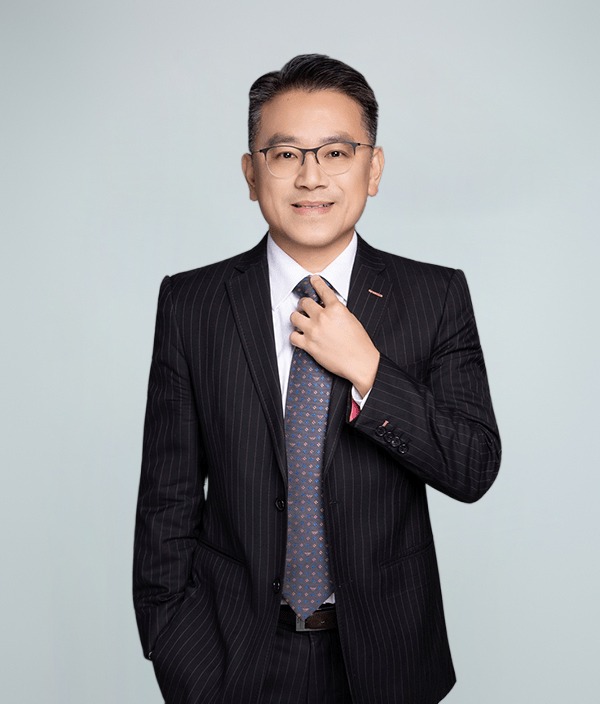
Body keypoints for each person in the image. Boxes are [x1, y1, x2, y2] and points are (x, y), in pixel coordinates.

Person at [133, 54, 501, 704]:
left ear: (373, 169)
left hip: (387, 657)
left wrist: (369, 369)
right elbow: (167, 498)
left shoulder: (435, 296)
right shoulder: (192, 304)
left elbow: (472, 467)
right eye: (285, 155)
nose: (311, 176)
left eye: (335, 152)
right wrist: (173, 644)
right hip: (231, 656)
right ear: (251, 173)